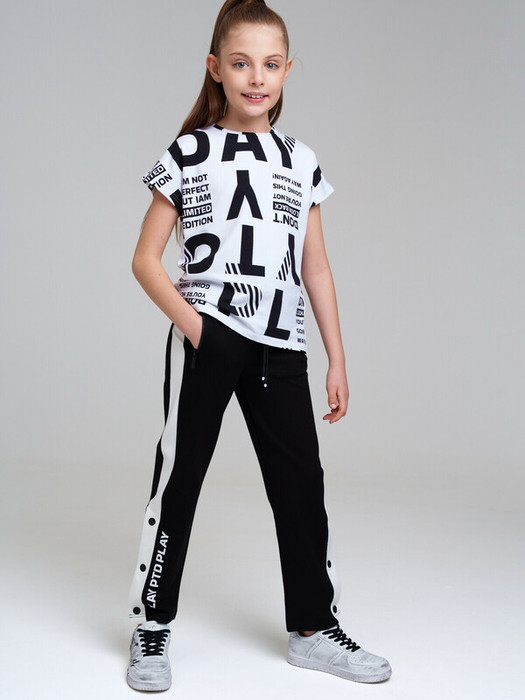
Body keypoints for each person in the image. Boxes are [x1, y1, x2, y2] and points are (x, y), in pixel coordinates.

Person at [126, 0, 392, 692]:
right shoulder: (188, 153)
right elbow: (146, 261)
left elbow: (316, 268)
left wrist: (336, 358)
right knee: (180, 481)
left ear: (287, 71)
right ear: (215, 68)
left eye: (270, 65)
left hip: (281, 345)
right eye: (241, 63)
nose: (256, 77)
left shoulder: (300, 160)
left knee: (301, 486)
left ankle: (312, 628)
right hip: (208, 340)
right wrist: (200, 332)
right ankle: (151, 626)